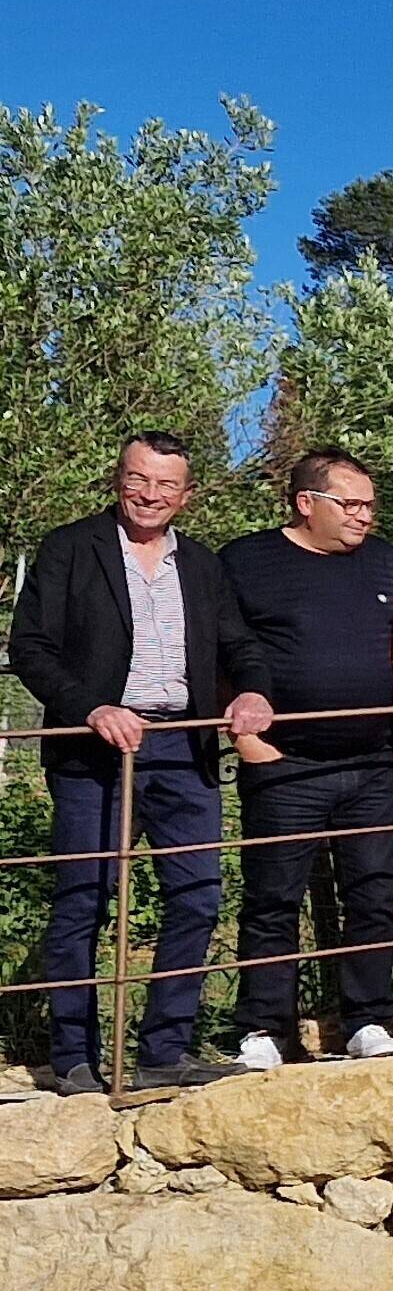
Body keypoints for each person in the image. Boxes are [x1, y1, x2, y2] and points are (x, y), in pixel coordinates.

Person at [7, 432, 275, 1092]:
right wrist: (92, 706)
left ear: (186, 493)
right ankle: (74, 1057)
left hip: (183, 748)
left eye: (165, 485)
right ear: (117, 478)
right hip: (93, 750)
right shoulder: (71, 548)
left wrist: (251, 689)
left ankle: (164, 1050)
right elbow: (31, 646)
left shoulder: (203, 564)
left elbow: (240, 643)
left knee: (197, 896)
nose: (150, 495)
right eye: (138, 479)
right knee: (83, 901)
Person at [220, 447, 393, 1069]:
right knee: (275, 898)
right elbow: (220, 650)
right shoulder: (248, 561)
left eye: (369, 505)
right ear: (307, 503)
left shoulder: (381, 560)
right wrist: (249, 743)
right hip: (287, 763)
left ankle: (368, 1019)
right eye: (351, 504)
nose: (364, 516)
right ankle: (261, 1028)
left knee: (374, 894)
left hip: (373, 761)